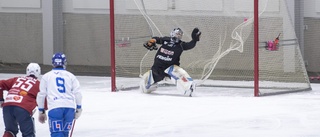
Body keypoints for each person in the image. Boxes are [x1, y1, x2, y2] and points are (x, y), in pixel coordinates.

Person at [140, 27, 201, 97]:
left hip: (171, 68)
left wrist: (194, 40)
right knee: (144, 86)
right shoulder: (166, 40)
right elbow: (157, 39)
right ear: (172, 33)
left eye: (180, 35)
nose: (178, 36)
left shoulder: (181, 44)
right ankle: (149, 86)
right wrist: (152, 41)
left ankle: (189, 87)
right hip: (157, 68)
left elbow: (189, 45)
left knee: (181, 74)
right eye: (177, 34)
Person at [36, 52, 82, 137]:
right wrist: (79, 108)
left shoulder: (46, 76)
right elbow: (78, 93)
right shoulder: (71, 76)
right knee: (65, 134)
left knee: (57, 134)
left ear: (53, 63)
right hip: (69, 108)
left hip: (55, 107)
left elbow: (41, 95)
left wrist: (41, 111)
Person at [0, 63, 41, 137]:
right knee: (28, 134)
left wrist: (1, 99)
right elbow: (43, 97)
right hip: (23, 108)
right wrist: (43, 110)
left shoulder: (17, 79)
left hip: (7, 105)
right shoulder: (38, 84)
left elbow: (0, 84)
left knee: (10, 131)